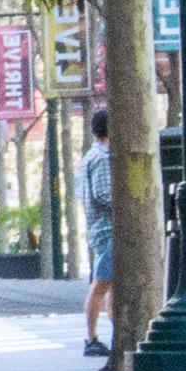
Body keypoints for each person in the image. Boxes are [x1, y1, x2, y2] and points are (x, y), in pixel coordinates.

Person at [81, 106, 115, 358]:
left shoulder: (93, 155)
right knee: (102, 284)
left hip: (100, 228)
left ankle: (116, 333)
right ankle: (91, 337)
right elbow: (103, 194)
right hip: (107, 228)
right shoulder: (103, 157)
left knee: (112, 285)